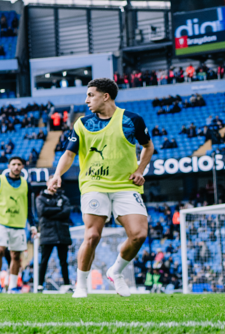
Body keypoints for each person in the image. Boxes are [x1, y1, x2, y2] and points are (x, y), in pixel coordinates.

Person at [48, 77, 154, 298]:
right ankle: (81, 286)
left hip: (126, 185)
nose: (86, 100)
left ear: (105, 96)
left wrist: (140, 170)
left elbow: (148, 146)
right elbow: (69, 154)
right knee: (93, 235)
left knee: (139, 234)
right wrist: (57, 175)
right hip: (94, 185)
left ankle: (116, 270)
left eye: (91, 95)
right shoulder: (82, 123)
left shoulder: (132, 120)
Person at [0, 156, 37, 294]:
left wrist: (32, 225)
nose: (16, 167)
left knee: (16, 256)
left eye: (19, 164)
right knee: (0, 250)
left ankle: (12, 286)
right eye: (14, 164)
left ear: (23, 167)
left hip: (18, 224)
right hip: (0, 221)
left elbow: (28, 207)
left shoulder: (26, 184)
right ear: (9, 166)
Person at [36, 185, 73, 292]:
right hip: (47, 234)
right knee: (44, 261)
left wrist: (49, 213)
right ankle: (39, 285)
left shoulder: (64, 198)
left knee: (64, 261)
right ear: (48, 183)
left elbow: (66, 213)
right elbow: (42, 211)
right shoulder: (40, 198)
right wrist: (58, 208)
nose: (55, 186)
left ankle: (67, 284)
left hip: (62, 233)